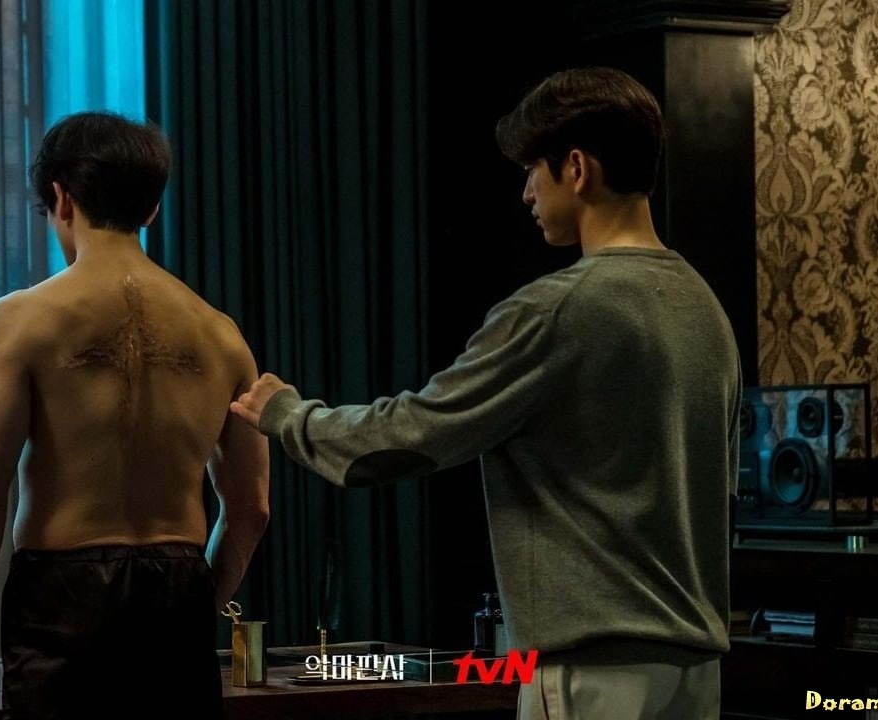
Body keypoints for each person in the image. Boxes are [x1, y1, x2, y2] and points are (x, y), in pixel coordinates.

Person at [231, 67, 741, 720]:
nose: (526, 191)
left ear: (576, 168)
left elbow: (410, 435)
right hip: (696, 672)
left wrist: (286, 415)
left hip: (591, 673)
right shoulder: (706, 308)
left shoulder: (557, 309)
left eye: (532, 169)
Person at [0, 112, 270, 720]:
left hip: (62, 595)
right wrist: (197, 610)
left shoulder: (21, 320)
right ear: (152, 209)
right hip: (178, 584)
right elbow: (251, 508)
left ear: (61, 198)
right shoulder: (222, 335)